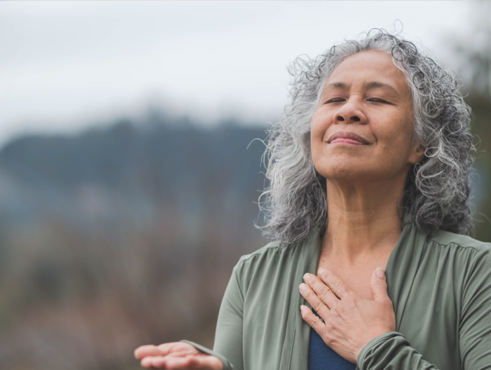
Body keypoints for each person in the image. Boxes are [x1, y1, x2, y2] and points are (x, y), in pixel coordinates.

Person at [134, 30, 491, 370]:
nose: (347, 110)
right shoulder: (254, 277)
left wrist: (377, 347)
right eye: (335, 99)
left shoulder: (474, 273)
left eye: (377, 99)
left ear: (421, 143)